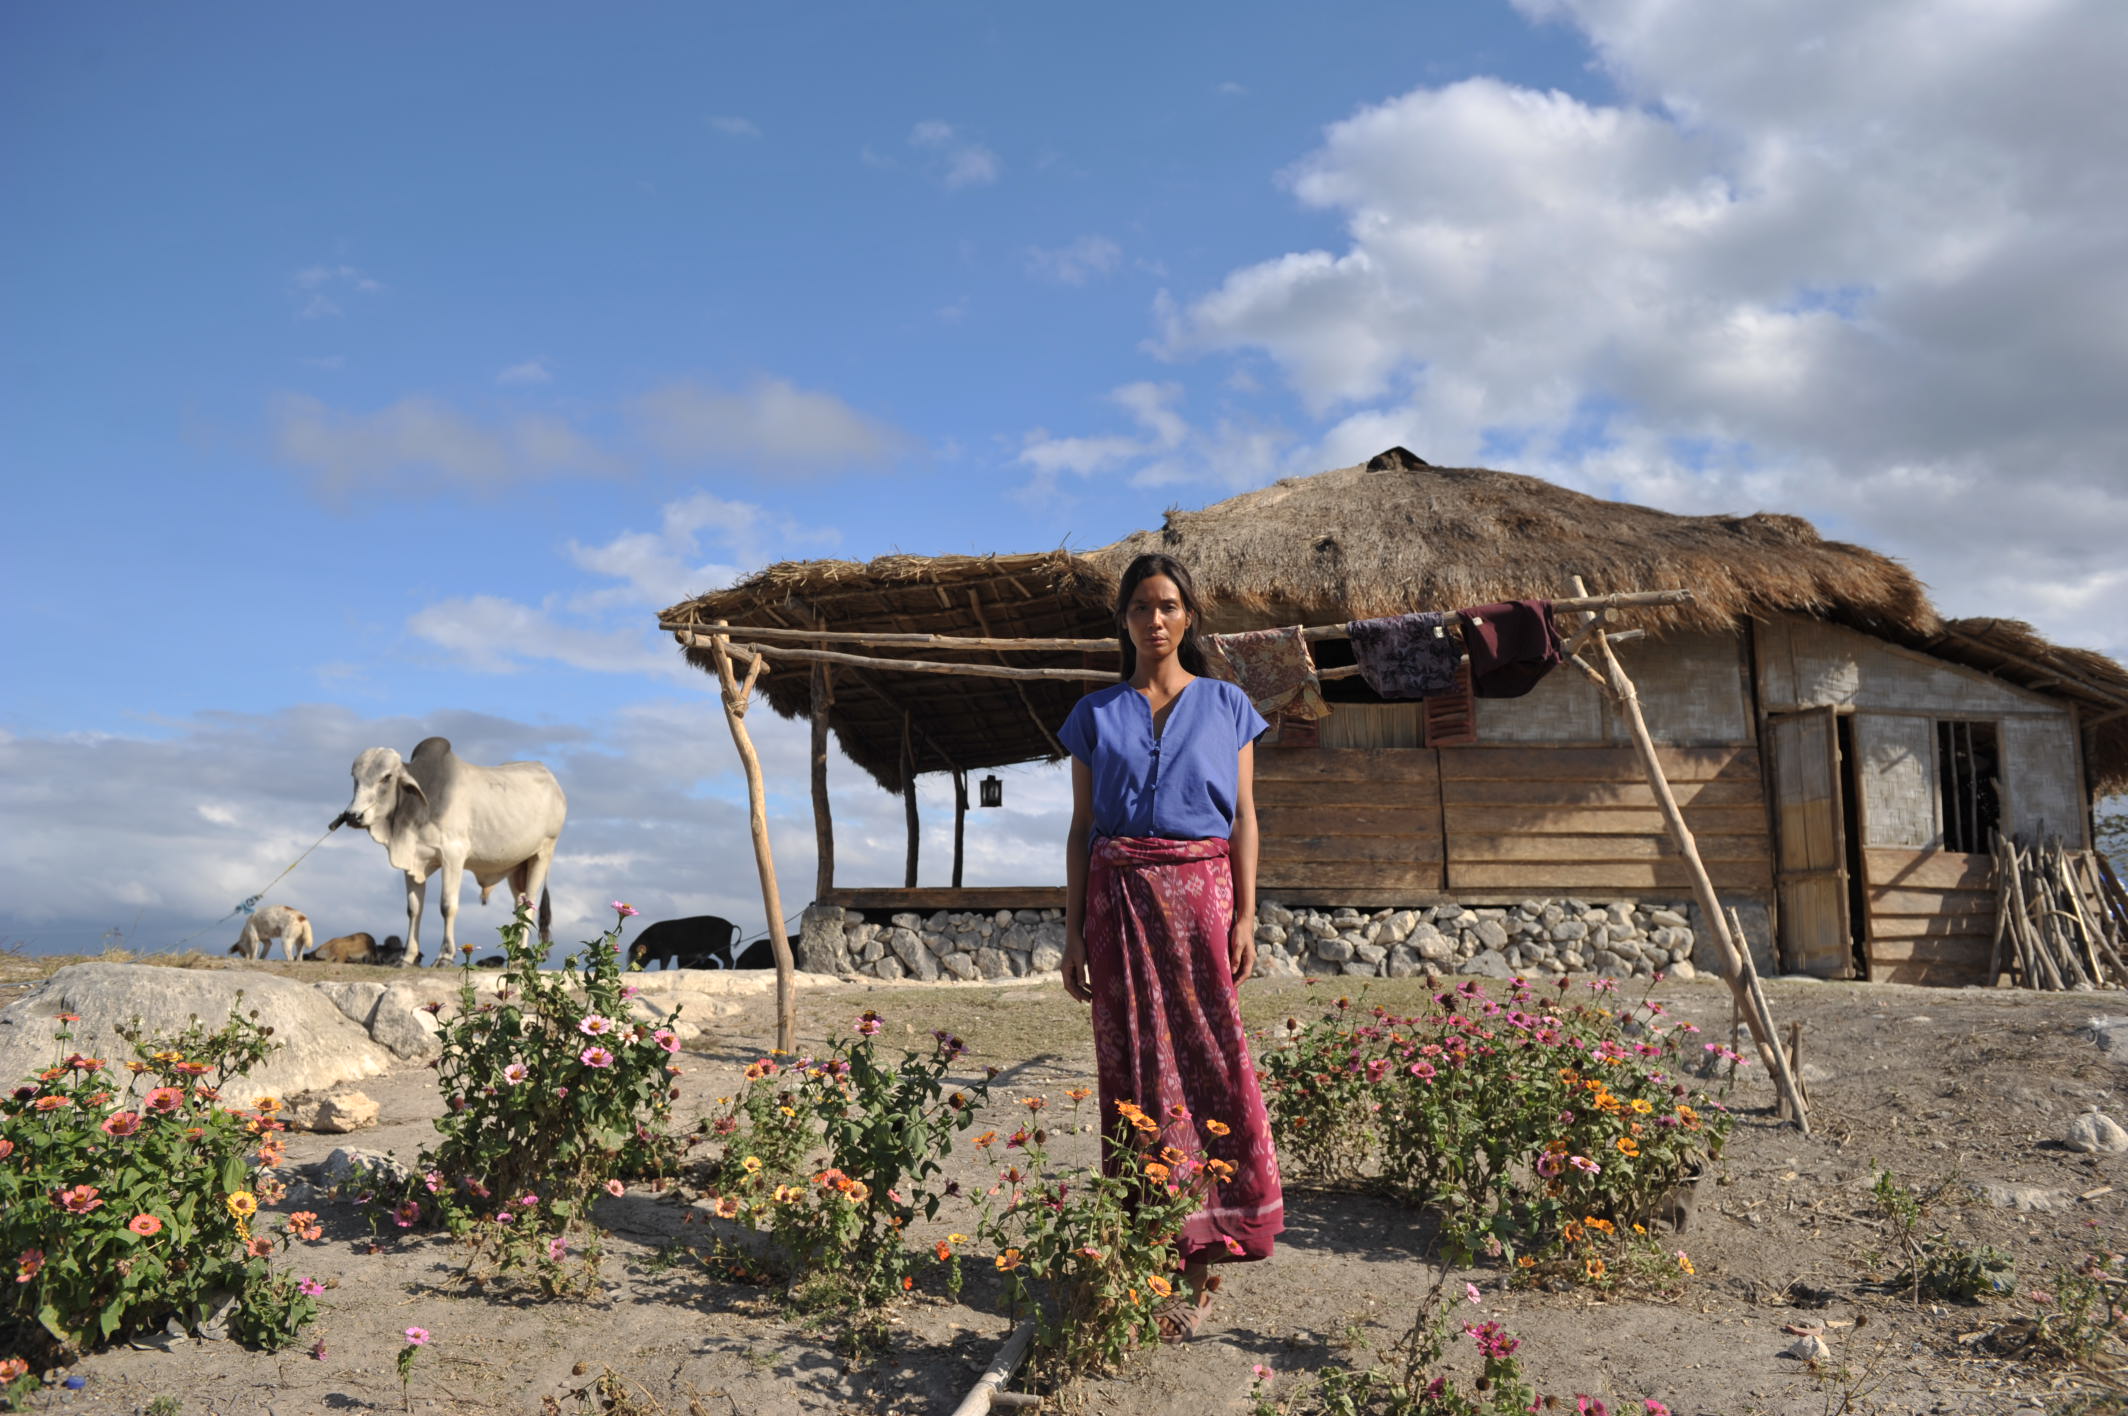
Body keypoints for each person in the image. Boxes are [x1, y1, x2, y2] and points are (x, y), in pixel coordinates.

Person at [1057, 552, 1284, 1341]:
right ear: (1123, 620)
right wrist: (1073, 929)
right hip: (1117, 905)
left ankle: (1207, 1251)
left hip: (1202, 902)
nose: (1155, 619)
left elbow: (1245, 817)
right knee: (1136, 1069)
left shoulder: (1228, 705)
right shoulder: (1094, 715)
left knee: (1207, 1060)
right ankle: (1151, 1245)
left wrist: (1247, 915)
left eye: (1168, 605)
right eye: (1141, 607)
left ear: (1189, 615)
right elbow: (1084, 829)